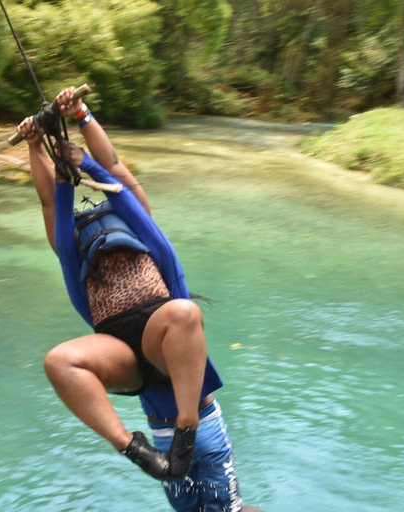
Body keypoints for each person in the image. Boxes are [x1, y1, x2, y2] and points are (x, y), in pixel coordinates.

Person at [16, 87, 252, 512]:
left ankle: (187, 427)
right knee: (59, 361)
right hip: (126, 357)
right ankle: (132, 448)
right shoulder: (69, 246)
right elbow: (50, 199)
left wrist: (82, 119)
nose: (97, 226)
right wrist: (37, 145)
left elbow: (112, 167)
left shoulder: (141, 224)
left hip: (187, 395)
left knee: (183, 313)